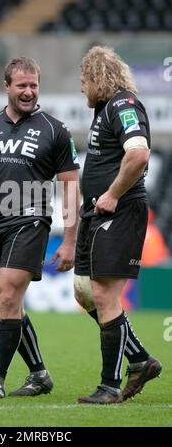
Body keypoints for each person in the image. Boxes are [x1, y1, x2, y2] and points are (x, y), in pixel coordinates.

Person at [0, 56, 80, 398]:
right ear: (7, 87)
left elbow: (71, 186)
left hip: (31, 219)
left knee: (9, 294)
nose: (28, 92)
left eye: (34, 85)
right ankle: (40, 374)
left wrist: (70, 240)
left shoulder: (56, 130)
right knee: (5, 304)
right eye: (21, 85)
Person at [74, 46, 162, 404]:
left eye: (84, 81)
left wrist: (111, 194)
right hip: (96, 213)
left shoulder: (124, 105)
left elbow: (138, 154)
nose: (82, 89)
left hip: (119, 210)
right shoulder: (105, 109)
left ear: (98, 77)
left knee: (105, 295)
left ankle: (109, 386)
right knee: (84, 291)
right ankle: (140, 359)